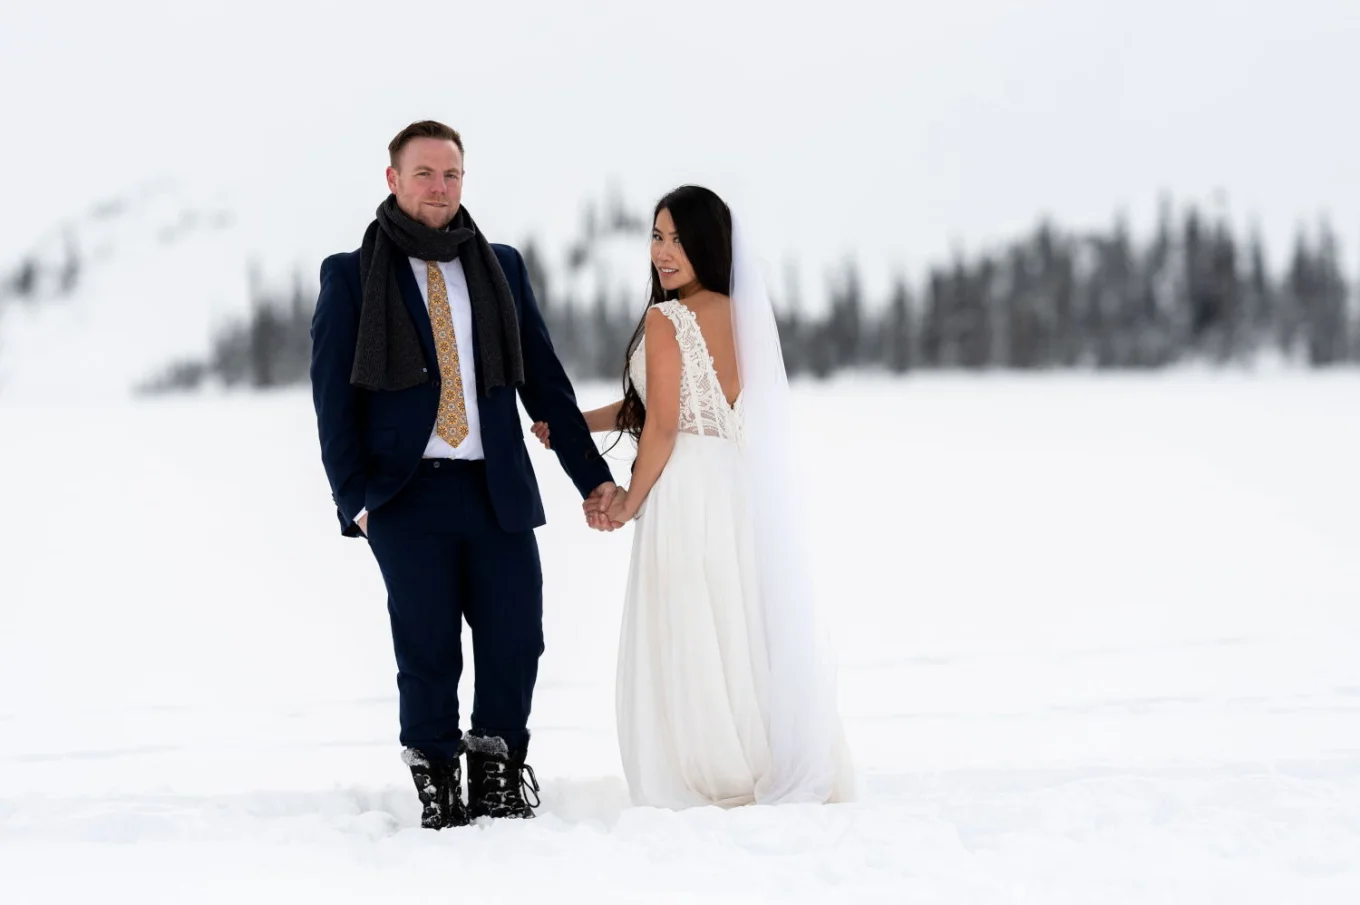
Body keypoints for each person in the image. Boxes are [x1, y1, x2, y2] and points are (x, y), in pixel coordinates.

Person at [309, 120, 620, 829]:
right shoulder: (352, 275)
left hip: (495, 485)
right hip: (404, 493)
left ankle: (498, 765)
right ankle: (435, 772)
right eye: (424, 173)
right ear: (393, 179)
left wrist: (590, 478)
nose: (439, 188)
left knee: (517, 635)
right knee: (426, 642)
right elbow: (332, 401)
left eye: (451, 175)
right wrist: (355, 499)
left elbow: (546, 381)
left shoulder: (499, 265)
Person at [537, 185, 855, 807]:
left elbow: (662, 425)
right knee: (736, 623)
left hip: (683, 489)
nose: (663, 251)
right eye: (656, 236)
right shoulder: (742, 316)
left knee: (690, 628)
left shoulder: (669, 317)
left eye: (678, 238)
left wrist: (628, 499)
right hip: (735, 487)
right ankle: (760, 756)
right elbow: (667, 407)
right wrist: (576, 425)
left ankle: (709, 771)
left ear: (708, 242)